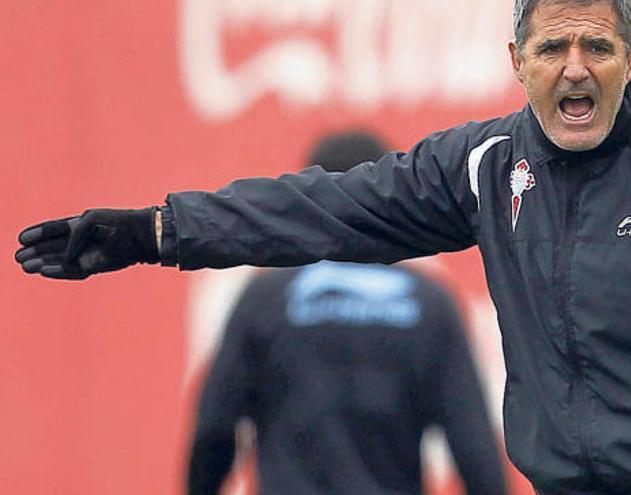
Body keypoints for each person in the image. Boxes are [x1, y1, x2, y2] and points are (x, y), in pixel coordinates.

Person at [16, 1, 631, 493]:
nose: (575, 68)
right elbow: (329, 210)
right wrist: (159, 230)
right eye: (552, 47)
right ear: (515, 61)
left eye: (597, 46)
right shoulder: (488, 167)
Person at [186, 130, 508, 495]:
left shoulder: (266, 297)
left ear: (305, 201)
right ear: (392, 196)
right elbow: (474, 446)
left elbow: (214, 429)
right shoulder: (428, 304)